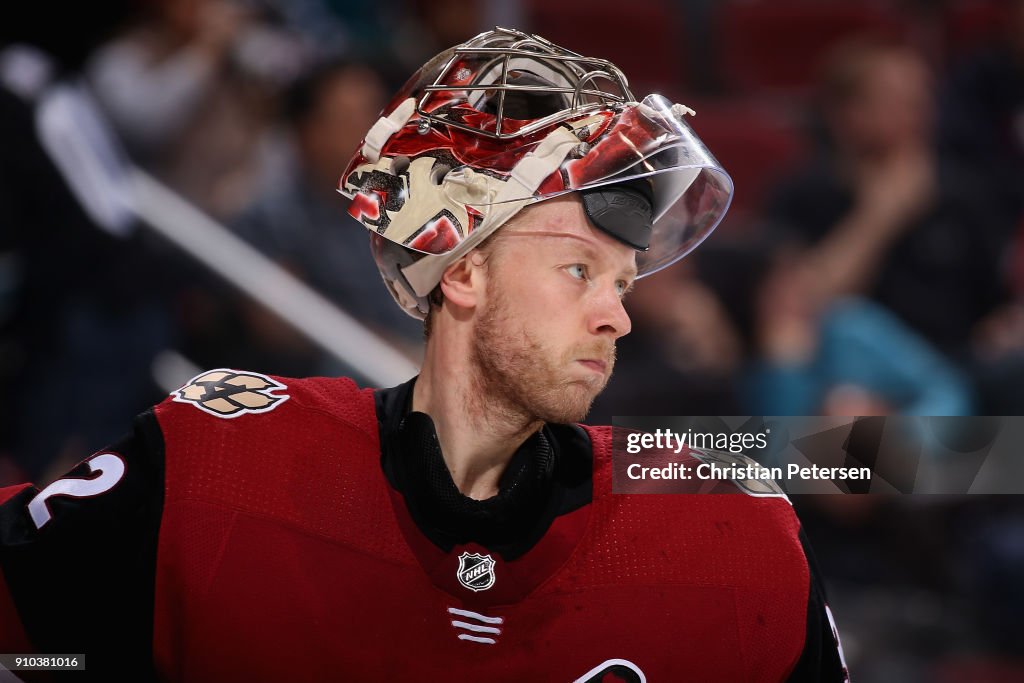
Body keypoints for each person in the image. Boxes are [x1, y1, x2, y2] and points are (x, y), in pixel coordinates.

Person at [0, 28, 847, 681]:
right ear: (466, 268)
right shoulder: (215, 466)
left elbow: (935, 456)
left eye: (622, 283)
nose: (616, 317)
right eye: (580, 269)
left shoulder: (724, 519)